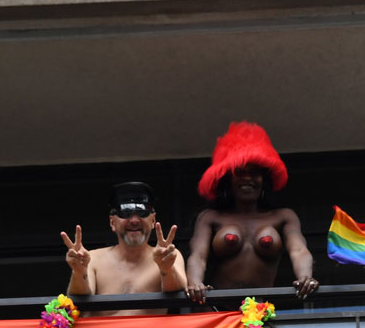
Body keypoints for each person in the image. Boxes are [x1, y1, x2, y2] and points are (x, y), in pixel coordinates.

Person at [185, 122, 317, 303]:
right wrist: (194, 283)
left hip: (261, 311)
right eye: (240, 172)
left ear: (264, 179)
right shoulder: (210, 217)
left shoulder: (284, 217)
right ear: (228, 180)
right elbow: (198, 256)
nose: (247, 178)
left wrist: (305, 277)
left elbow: (299, 250)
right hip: (217, 310)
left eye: (254, 173)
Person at [61, 182, 187, 315]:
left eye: (142, 212)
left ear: (153, 221)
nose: (134, 221)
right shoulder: (94, 259)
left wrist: (166, 269)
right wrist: (79, 272)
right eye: (125, 213)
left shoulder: (168, 255)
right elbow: (79, 302)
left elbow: (180, 292)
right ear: (112, 223)